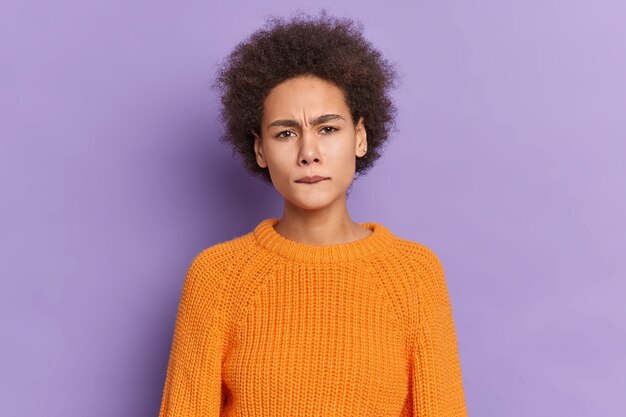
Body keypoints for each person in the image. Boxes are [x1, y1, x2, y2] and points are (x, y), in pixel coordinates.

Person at [158, 9, 468, 417]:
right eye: (286, 133)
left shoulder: (414, 274)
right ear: (259, 150)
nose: (309, 153)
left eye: (328, 129)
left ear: (359, 137)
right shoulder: (217, 277)